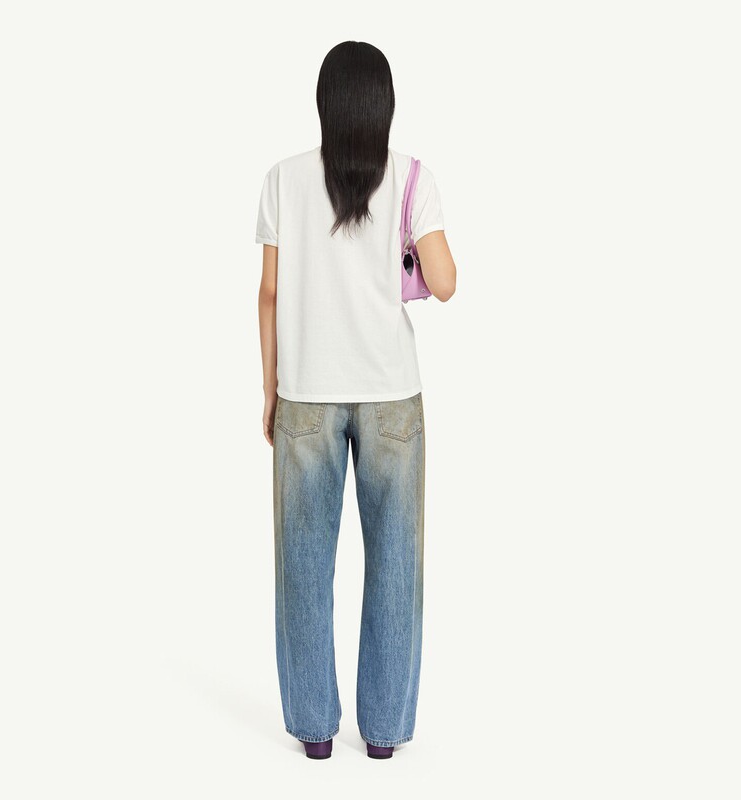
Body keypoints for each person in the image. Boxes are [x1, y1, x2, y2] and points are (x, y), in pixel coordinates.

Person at [255, 41, 457, 760]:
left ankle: (314, 731)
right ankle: (384, 736)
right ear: (383, 106)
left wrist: (271, 390)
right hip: (391, 394)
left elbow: (269, 294)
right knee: (396, 565)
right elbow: (444, 283)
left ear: (325, 104)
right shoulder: (411, 177)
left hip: (305, 392)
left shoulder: (282, 179)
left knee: (302, 567)